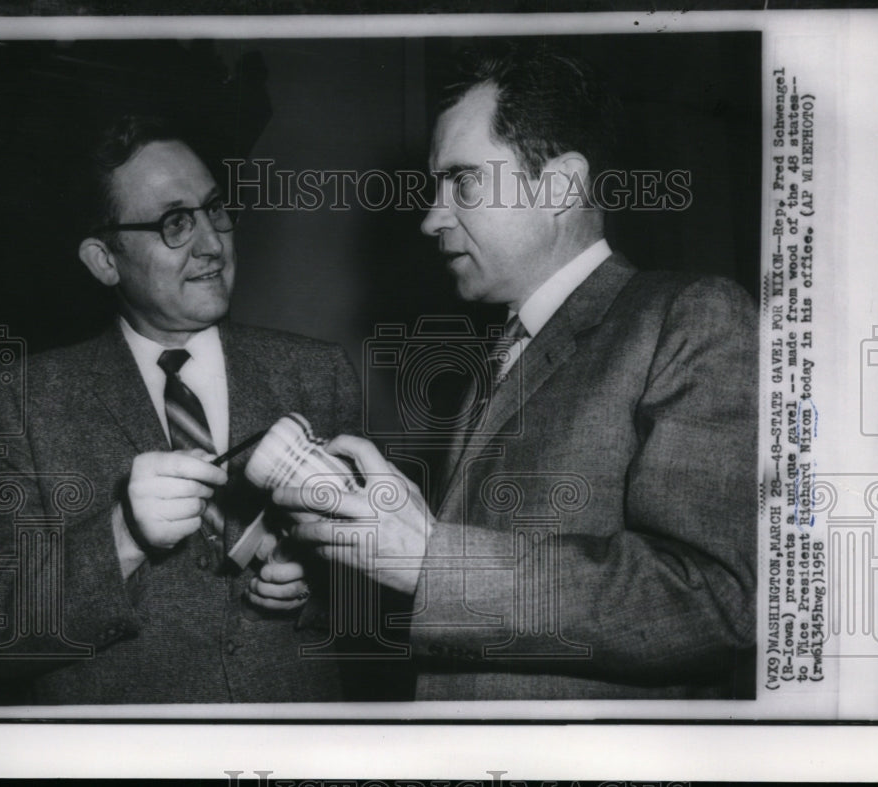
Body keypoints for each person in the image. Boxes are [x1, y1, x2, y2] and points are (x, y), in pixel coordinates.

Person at [274, 46, 758, 700]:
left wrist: (431, 560)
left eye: (464, 182)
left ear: (560, 186)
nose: (431, 217)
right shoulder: (496, 359)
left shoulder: (691, 316)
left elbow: (718, 600)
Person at [0, 115, 360, 704]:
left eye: (214, 210)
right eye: (175, 222)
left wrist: (323, 582)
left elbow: (391, 592)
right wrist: (123, 533)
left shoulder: (317, 374)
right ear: (104, 260)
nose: (211, 243)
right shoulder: (23, 401)